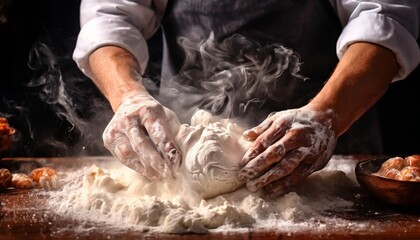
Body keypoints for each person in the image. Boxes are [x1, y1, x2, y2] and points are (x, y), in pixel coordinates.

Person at [72, 1, 420, 196]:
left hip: (330, 150)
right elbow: (109, 17)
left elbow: (385, 17)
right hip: (181, 149)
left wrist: (327, 115)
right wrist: (128, 96)